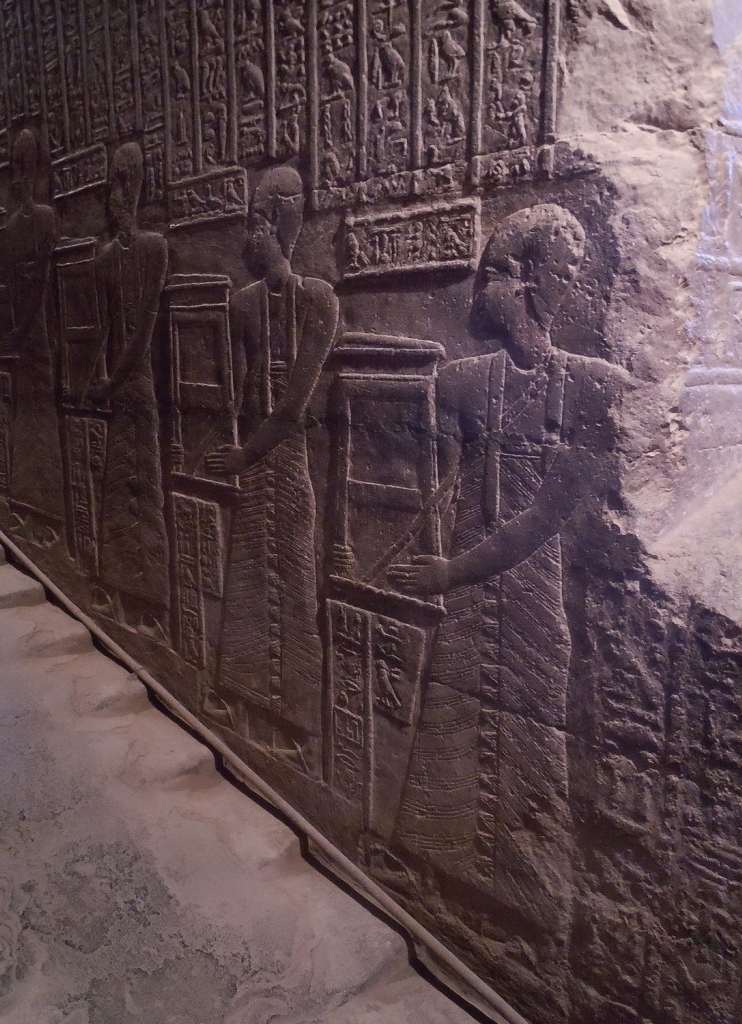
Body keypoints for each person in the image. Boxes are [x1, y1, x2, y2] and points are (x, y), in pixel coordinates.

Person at [389, 205, 624, 941]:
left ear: (521, 284)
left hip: (522, 595)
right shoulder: (461, 383)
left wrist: (446, 572)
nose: (476, 296)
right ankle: (432, 872)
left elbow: (539, 523)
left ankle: (527, 918)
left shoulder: (591, 389)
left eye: (488, 276)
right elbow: (428, 486)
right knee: (450, 728)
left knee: (526, 750)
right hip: (463, 591)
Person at [205, 166, 338, 754]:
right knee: (248, 581)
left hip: (283, 462)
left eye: (259, 223)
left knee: (292, 583)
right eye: (247, 224)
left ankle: (295, 725)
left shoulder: (318, 300)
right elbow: (236, 393)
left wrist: (241, 457)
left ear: (283, 227)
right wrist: (234, 446)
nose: (249, 237)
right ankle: (242, 698)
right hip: (254, 458)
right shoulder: (243, 305)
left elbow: (292, 406)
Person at [86, 142, 169, 639]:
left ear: (137, 189)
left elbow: (141, 334)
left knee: (146, 490)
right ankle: (117, 590)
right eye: (111, 185)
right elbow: (102, 329)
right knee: (117, 490)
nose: (115, 197)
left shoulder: (155, 249)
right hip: (117, 388)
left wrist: (111, 380)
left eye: (124, 184)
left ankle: (153, 605)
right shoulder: (102, 258)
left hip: (136, 388)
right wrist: (92, 376)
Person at [2, 129, 65, 542]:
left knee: (42, 418)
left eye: (25, 163)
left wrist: (21, 329)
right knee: (26, 417)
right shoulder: (11, 225)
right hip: (25, 336)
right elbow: (12, 283)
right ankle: (26, 507)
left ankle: (49, 518)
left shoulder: (45, 218)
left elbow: (42, 280)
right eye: (18, 164)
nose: (21, 171)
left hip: (38, 333)